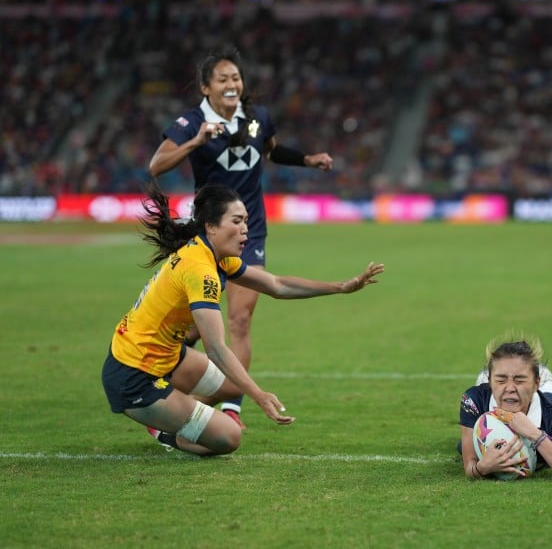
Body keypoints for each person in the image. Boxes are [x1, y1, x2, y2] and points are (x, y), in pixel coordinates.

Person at [101, 182, 384, 455]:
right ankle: (162, 429)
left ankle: (172, 411)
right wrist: (260, 396)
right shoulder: (200, 269)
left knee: (235, 385)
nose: (245, 229)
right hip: (134, 375)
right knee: (229, 437)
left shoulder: (215, 256)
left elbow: (277, 285)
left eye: (246, 221)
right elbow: (215, 348)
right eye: (236, 221)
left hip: (166, 358)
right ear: (211, 227)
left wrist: (341, 287)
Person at [148, 45, 334, 429]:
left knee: (241, 319)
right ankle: (165, 387)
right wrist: (195, 143)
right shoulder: (190, 124)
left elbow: (271, 150)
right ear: (205, 88)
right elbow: (157, 165)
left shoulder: (257, 118)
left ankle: (232, 404)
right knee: (194, 325)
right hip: (207, 235)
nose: (232, 84)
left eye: (236, 77)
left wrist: (307, 160)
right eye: (223, 79)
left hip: (250, 231)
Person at [459, 333, 552, 479]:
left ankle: (544, 380)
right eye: (501, 380)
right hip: (493, 387)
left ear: (536, 383)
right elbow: (470, 466)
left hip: (546, 393)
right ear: (490, 382)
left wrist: (535, 434)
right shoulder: (474, 402)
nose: (510, 388)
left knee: (550, 392)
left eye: (519, 380)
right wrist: (481, 468)